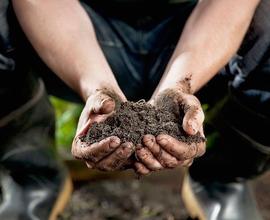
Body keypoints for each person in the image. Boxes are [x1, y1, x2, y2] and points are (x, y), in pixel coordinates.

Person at [0, 0, 269, 219]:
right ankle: (30, 175)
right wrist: (96, 87)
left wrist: (180, 84)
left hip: (205, 43)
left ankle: (224, 178)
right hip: (75, 39)